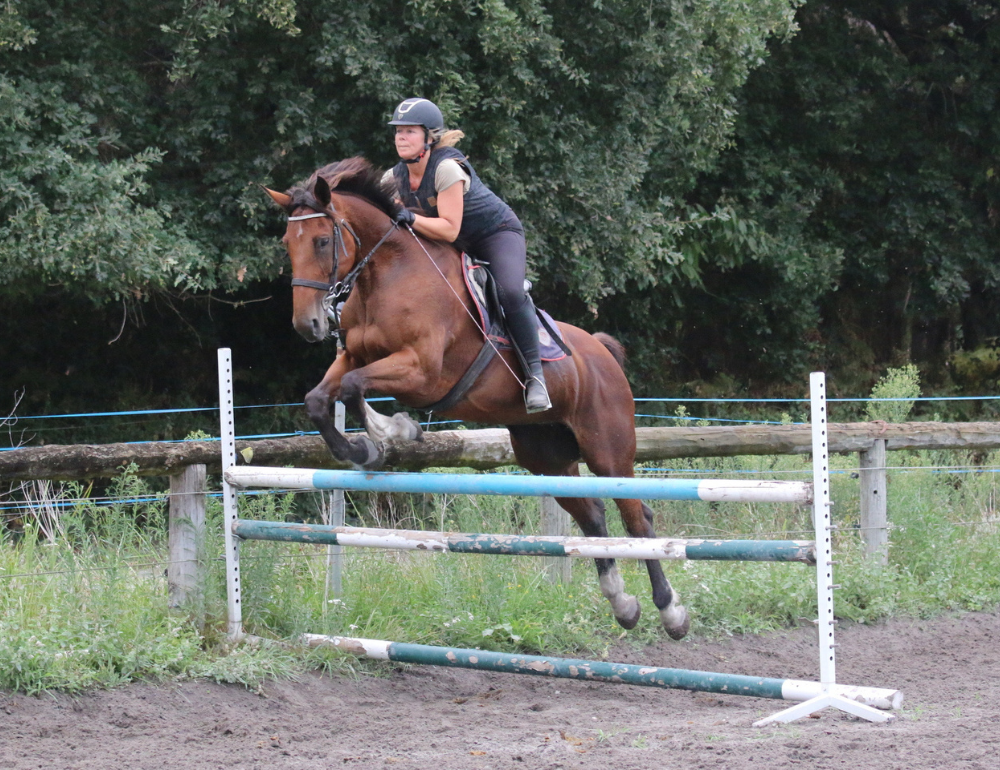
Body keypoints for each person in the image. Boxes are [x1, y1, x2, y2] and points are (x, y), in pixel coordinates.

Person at [384, 97, 551, 413]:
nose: (401, 138)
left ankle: (535, 377)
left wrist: (412, 218)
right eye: (398, 132)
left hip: (494, 235)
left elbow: (448, 228)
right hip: (454, 244)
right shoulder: (393, 178)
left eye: (409, 131)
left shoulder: (447, 168)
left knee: (509, 292)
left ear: (429, 137)